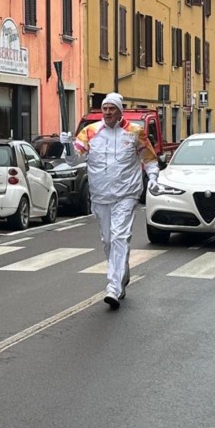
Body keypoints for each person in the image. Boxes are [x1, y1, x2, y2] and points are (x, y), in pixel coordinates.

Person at [72, 92, 160, 310]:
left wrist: (153, 178)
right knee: (108, 240)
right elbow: (74, 159)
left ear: (120, 111)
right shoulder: (89, 132)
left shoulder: (135, 132)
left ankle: (113, 287)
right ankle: (122, 273)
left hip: (126, 194)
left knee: (120, 236)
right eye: (105, 108)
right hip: (100, 195)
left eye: (112, 109)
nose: (108, 112)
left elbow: (149, 159)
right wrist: (65, 146)